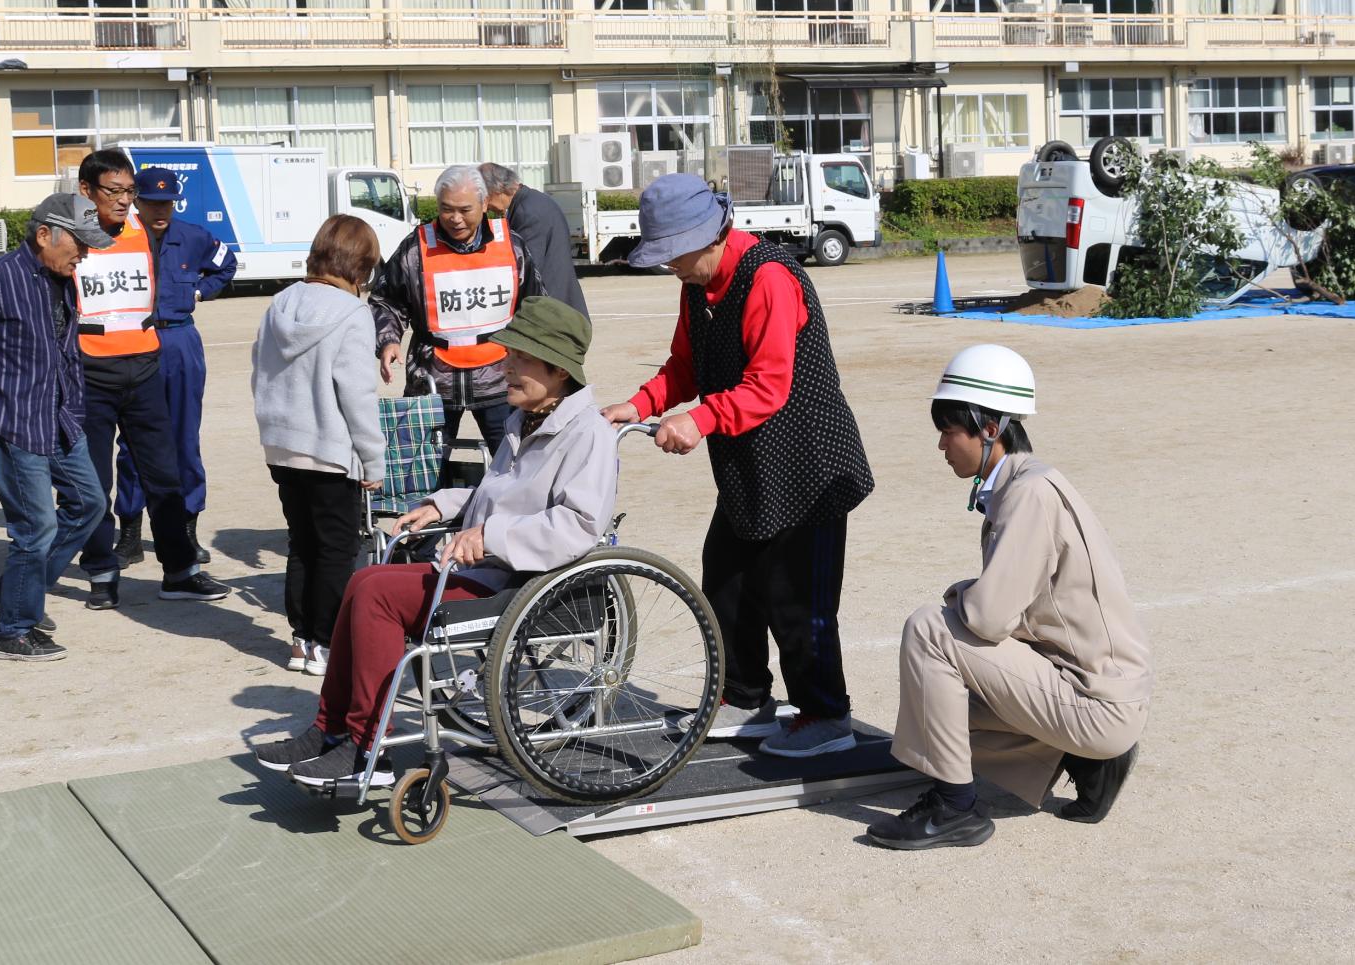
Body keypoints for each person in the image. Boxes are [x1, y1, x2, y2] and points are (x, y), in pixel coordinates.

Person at [253, 295, 615, 787]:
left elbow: (578, 525)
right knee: (363, 581)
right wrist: (442, 505)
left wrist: (489, 535)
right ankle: (331, 728)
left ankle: (365, 746)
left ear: (558, 370)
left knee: (377, 595)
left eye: (521, 358)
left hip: (524, 584)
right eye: (509, 355)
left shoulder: (588, 434)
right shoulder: (525, 420)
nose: (506, 367)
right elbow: (498, 494)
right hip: (488, 568)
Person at [602, 175, 873, 760]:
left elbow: (768, 385)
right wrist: (639, 405)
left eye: (673, 253)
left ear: (708, 236)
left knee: (796, 598)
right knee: (726, 578)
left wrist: (700, 420)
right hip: (751, 462)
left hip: (809, 462)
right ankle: (746, 696)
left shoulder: (769, 276)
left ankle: (827, 714)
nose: (669, 266)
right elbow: (685, 365)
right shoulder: (698, 284)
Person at [869, 345, 1152, 851]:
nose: (941, 444)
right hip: (1095, 691)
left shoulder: (1028, 493)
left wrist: (959, 594)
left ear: (989, 428)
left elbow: (990, 617)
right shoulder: (1029, 480)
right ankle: (1087, 760)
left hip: (1095, 704)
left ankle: (956, 809)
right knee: (937, 716)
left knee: (931, 628)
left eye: (949, 430)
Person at [0, 194, 114, 661]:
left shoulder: (63, 278)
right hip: (13, 419)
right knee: (35, 526)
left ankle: (14, 590)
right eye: (79, 244)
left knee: (89, 503)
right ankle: (14, 630)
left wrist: (75, 409)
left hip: (58, 417)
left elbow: (67, 350)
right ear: (45, 235)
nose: (84, 255)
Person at [68, 148, 229, 609]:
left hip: (145, 369)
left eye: (128, 191)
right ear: (86, 191)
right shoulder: (69, 236)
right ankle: (102, 573)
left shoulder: (148, 231)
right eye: (113, 191)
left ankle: (179, 570)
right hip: (91, 373)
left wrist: (197, 292)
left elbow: (211, 265)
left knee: (165, 474)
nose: (123, 200)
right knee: (95, 482)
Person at [251, 215, 384, 676]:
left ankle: (301, 641)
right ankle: (326, 644)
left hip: (281, 445)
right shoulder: (353, 314)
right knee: (337, 548)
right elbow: (357, 395)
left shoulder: (281, 302)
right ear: (361, 266)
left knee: (302, 544)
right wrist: (373, 459)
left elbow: (259, 370)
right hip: (328, 449)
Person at [108, 167, 236, 568]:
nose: (160, 210)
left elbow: (226, 264)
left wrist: (200, 290)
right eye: (152, 203)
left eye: (167, 203)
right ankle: (130, 533)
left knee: (184, 438)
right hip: (134, 342)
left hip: (180, 341)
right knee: (133, 441)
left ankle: (186, 530)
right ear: (138, 202)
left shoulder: (194, 237)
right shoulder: (119, 238)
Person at [372, 164, 540, 458]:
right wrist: (388, 340)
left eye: (465, 210)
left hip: (501, 380)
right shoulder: (416, 249)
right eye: (446, 209)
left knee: (516, 464)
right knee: (420, 467)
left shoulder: (511, 246)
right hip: (432, 380)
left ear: (485, 204)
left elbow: (536, 305)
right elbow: (386, 300)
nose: (455, 218)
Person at [479, 161, 586, 317]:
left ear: (498, 189)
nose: (485, 206)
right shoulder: (534, 200)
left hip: (552, 313)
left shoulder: (527, 213)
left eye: (484, 197)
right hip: (559, 306)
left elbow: (528, 269)